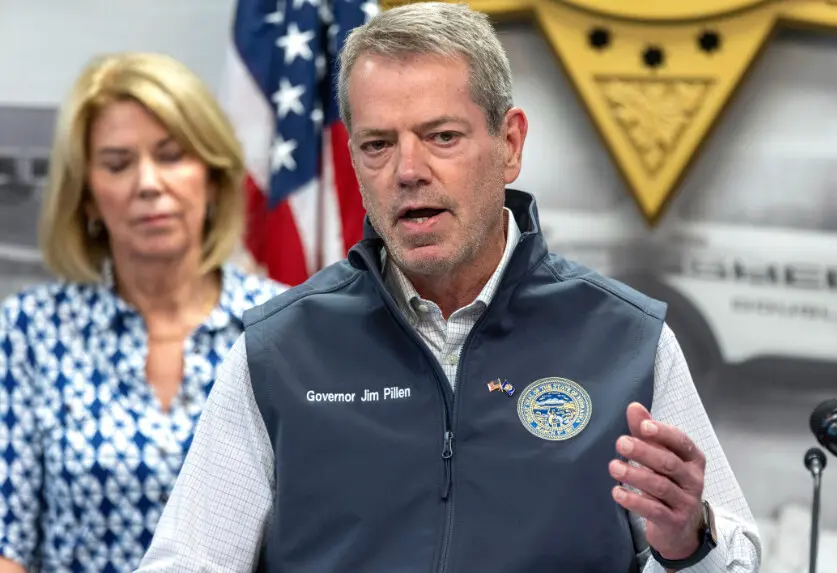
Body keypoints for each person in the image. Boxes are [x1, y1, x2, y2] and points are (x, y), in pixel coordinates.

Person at [136, 3, 762, 572]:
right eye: (378, 145)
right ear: (353, 160)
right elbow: (184, 561)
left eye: (442, 137)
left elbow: (737, 559)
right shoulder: (279, 351)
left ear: (509, 144)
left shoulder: (629, 342)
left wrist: (689, 543)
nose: (408, 171)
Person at [0, 52, 285, 572]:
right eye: (117, 164)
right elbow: (6, 546)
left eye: (172, 155)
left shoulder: (286, 326)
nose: (148, 184)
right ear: (86, 197)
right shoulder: (26, 332)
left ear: (214, 179)